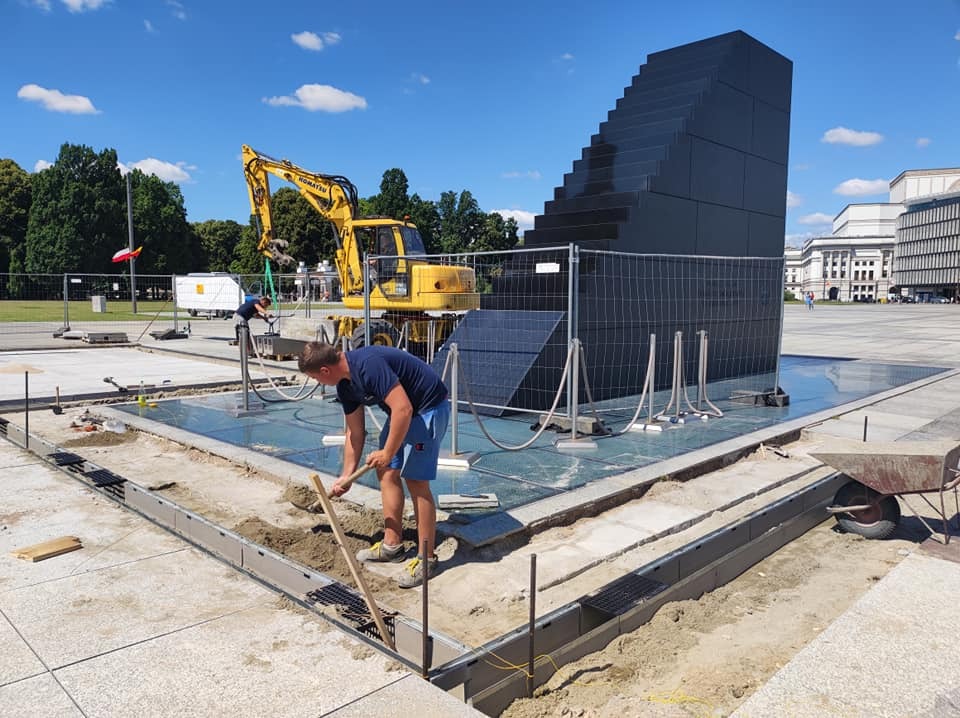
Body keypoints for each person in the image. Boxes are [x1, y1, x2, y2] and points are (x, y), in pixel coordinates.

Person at [298, 341, 450, 588]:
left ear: (325, 370)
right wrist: (346, 475)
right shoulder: (345, 386)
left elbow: (403, 408)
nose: (318, 382)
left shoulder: (368, 365)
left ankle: (427, 559)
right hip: (402, 412)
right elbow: (354, 433)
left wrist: (388, 451)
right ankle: (392, 545)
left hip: (427, 407)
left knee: (416, 481)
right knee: (386, 471)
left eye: (316, 378)